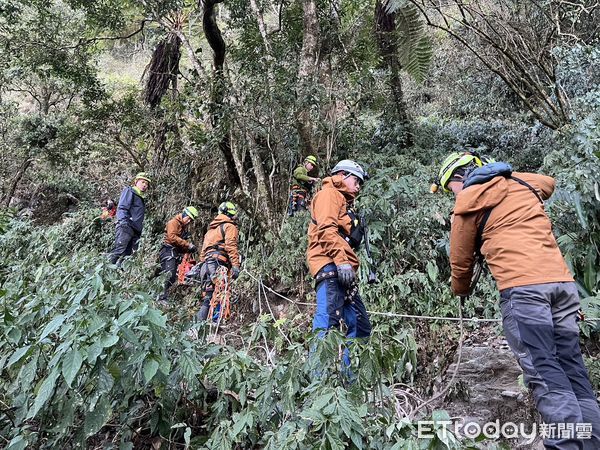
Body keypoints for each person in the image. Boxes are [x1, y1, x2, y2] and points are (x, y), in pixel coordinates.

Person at [437, 151, 600, 449]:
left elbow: (460, 263)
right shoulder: (522, 183)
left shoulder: (466, 203)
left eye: (451, 188)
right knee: (571, 368)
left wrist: (460, 290)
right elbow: (547, 183)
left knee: (544, 372)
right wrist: (505, 175)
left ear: (458, 179)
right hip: (563, 288)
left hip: (524, 292)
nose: (453, 194)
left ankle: (565, 445)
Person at [307, 159, 371, 367]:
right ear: (343, 175)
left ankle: (349, 380)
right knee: (327, 323)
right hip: (331, 266)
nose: (358, 186)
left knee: (360, 325)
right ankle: (318, 384)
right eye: (356, 180)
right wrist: (342, 261)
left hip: (343, 269)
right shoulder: (329, 194)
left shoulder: (343, 202)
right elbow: (326, 231)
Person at [196, 201, 241, 321]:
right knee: (221, 293)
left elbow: (203, 253)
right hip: (218, 264)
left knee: (209, 296)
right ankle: (215, 323)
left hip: (206, 265)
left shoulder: (210, 231)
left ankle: (198, 328)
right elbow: (231, 246)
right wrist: (235, 265)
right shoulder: (229, 226)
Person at [157, 206, 199, 303]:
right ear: (184, 215)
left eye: (191, 220)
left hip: (174, 251)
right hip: (167, 250)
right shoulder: (173, 222)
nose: (189, 222)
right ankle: (161, 296)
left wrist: (188, 250)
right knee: (168, 274)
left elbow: (179, 243)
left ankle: (164, 296)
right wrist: (188, 245)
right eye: (188, 219)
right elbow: (172, 237)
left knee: (172, 276)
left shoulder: (182, 227)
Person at [109, 173, 150, 265]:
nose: (145, 185)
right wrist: (124, 222)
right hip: (126, 226)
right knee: (119, 250)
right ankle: (106, 270)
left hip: (135, 229)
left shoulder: (140, 198)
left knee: (128, 255)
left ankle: (119, 275)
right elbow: (122, 207)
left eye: (146, 184)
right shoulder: (130, 191)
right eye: (143, 182)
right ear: (136, 182)